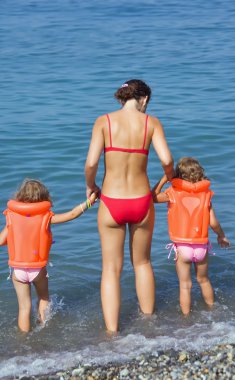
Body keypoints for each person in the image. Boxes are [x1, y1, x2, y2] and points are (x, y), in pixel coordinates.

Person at [85, 79, 174, 332]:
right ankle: (149, 324)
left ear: (122, 98)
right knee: (143, 263)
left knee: (111, 269)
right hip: (141, 202)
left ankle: (112, 333)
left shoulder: (104, 121)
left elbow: (91, 163)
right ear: (144, 99)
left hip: (112, 201)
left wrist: (91, 186)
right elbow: (167, 159)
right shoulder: (151, 123)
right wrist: (168, 179)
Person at [0, 179, 97, 332]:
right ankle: (43, 330)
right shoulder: (46, 217)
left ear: (20, 196)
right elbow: (72, 214)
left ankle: (24, 339)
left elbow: (1, 241)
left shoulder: (11, 217)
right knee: (43, 298)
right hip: (37, 269)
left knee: (24, 308)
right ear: (44, 197)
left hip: (17, 271)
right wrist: (90, 202)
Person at [152, 157, 230, 315]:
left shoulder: (172, 193)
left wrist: (165, 179)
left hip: (183, 248)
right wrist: (221, 236)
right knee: (204, 280)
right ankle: (213, 310)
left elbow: (152, 197)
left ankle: (186, 319)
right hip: (201, 247)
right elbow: (213, 222)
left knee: (185, 285)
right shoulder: (206, 195)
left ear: (178, 177)